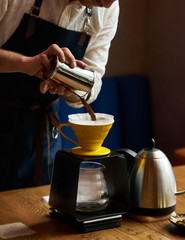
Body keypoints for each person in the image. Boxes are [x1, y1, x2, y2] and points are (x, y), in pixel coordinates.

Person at [0, 0, 119, 190]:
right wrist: (24, 63)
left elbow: (94, 83)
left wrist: (73, 84)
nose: (107, 4)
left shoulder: (109, 8)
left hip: (42, 136)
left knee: (34, 211)